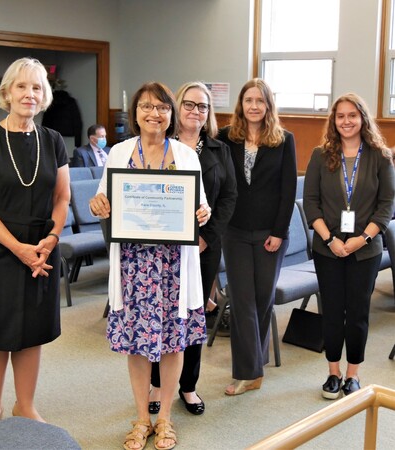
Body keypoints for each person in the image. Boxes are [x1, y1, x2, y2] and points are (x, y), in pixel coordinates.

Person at [89, 81, 211, 450]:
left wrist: (202, 213)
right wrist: (99, 203)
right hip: (134, 264)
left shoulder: (186, 155)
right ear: (136, 113)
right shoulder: (120, 152)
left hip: (174, 262)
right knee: (138, 344)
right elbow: (103, 196)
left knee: (174, 342)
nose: (154, 113)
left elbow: (200, 205)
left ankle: (165, 419)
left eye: (161, 107)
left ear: (171, 114)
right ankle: (142, 418)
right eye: (146, 107)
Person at [0, 57, 70, 422]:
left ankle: (24, 405)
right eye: (22, 86)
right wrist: (18, 249)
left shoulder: (53, 140)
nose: (30, 93)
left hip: (42, 249)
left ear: (44, 97)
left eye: (37, 87)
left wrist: (52, 238)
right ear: (7, 92)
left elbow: (62, 198)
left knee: (31, 331)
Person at [149, 81, 237, 415]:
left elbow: (228, 197)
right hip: (162, 247)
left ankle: (188, 386)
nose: (195, 111)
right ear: (176, 107)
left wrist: (206, 237)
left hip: (203, 246)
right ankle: (157, 383)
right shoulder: (159, 145)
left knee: (193, 315)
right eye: (189, 104)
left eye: (202, 106)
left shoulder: (219, 150)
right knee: (163, 314)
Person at [303, 93, 395, 399]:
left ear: (363, 118)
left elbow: (386, 205)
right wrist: (330, 238)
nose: (346, 121)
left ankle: (353, 373)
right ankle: (333, 372)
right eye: (340, 116)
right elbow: (312, 204)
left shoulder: (380, 156)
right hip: (326, 248)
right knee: (331, 310)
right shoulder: (320, 155)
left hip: (365, 250)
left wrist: (362, 238)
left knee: (357, 313)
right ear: (334, 120)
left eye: (352, 115)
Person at [217, 78, 297, 396]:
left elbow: (288, 189)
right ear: (241, 104)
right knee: (243, 302)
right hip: (234, 231)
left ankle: (256, 359)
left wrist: (279, 232)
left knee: (262, 301)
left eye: (260, 101)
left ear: (268, 106)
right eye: (248, 100)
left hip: (270, 234)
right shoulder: (226, 137)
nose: (253, 106)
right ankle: (248, 372)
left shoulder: (284, 139)